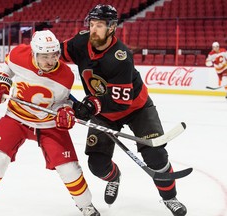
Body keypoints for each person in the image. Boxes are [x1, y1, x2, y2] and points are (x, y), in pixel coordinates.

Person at [60, 4, 187, 216]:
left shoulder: (120, 57)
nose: (93, 29)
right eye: (91, 24)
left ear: (111, 28)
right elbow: (53, 54)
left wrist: (92, 105)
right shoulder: (81, 42)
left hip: (137, 108)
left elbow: (121, 103)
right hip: (103, 113)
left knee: (156, 156)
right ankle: (114, 177)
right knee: (97, 165)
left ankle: (170, 197)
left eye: (99, 25)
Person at [0, 30, 100, 216]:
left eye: (54, 55)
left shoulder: (66, 75)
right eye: (44, 56)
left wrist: (66, 111)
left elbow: (64, 101)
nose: (50, 61)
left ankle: (86, 206)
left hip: (48, 123)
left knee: (69, 168)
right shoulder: (19, 55)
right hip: (16, 117)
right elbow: (7, 68)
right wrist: (1, 81)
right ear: (34, 53)